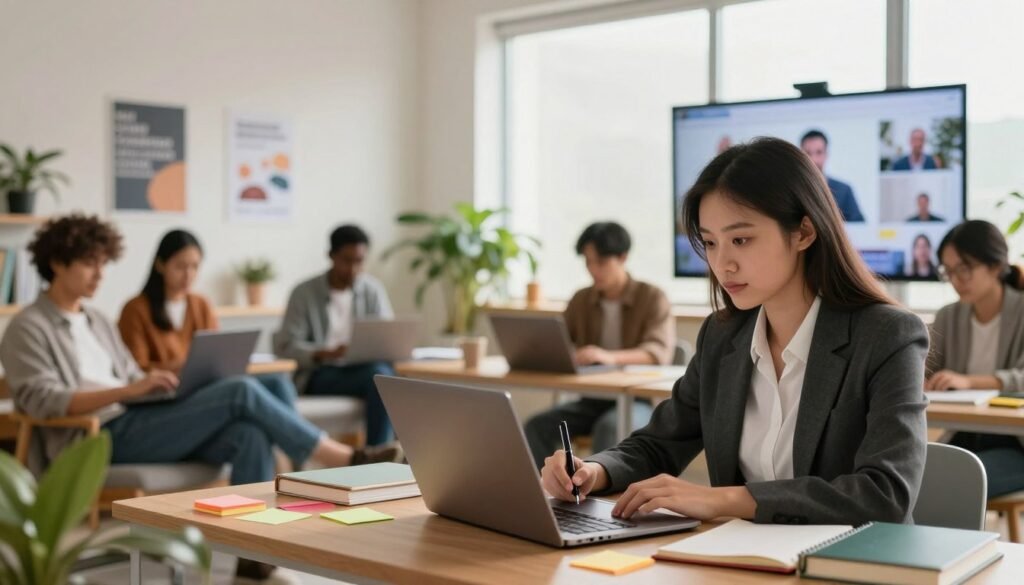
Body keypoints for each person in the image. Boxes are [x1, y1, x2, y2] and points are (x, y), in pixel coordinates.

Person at [540, 138, 928, 526]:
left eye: (740, 240)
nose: (722, 263)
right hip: (742, 561)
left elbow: (885, 494)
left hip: (851, 563)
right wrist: (592, 470)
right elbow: (659, 443)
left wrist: (725, 500)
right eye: (710, 242)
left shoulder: (887, 335)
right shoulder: (723, 336)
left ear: (804, 233)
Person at [0, 216, 396, 580]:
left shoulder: (96, 320)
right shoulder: (27, 327)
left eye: (104, 263)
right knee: (240, 390)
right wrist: (129, 389)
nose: (100, 274)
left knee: (248, 434)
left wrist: (153, 381)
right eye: (90, 263)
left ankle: (251, 554)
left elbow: (131, 374)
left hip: (138, 416)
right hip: (96, 437)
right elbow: (42, 400)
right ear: (56, 263)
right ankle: (342, 459)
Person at [117, 228, 400, 465]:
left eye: (194, 267)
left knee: (277, 383)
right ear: (160, 265)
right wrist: (181, 366)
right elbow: (136, 372)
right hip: (170, 398)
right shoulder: (136, 310)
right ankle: (335, 456)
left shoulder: (199, 304)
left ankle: (295, 462)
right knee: (243, 390)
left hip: (204, 386)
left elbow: (215, 352)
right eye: (180, 266)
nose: (188, 274)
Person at [524, 222, 675, 468]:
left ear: (623, 257)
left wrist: (610, 357)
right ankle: (543, 498)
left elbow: (657, 353)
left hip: (637, 401)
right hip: (591, 400)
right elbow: (561, 343)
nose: (593, 270)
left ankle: (598, 502)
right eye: (588, 262)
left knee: (610, 428)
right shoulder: (581, 299)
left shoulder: (652, 297)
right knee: (536, 426)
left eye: (601, 262)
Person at [925, 220, 1024, 498]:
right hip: (966, 433)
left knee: (958, 486)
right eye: (949, 271)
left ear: (995, 265)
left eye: (965, 269)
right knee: (914, 476)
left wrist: (968, 382)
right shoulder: (948, 316)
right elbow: (927, 370)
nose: (956, 280)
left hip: (1016, 442)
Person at [274, 224, 396, 446]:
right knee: (380, 376)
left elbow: (386, 334)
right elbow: (285, 345)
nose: (353, 269)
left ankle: (388, 454)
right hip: (319, 374)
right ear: (331, 256)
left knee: (387, 376)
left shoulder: (372, 290)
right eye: (347, 260)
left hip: (363, 368)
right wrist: (324, 353)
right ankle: (377, 455)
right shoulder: (304, 293)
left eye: (359, 261)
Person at [799, 130, 865, 222]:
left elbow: (859, 227)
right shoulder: (793, 190)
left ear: (826, 154)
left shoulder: (844, 191)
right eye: (808, 153)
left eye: (819, 152)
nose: (813, 159)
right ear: (800, 156)